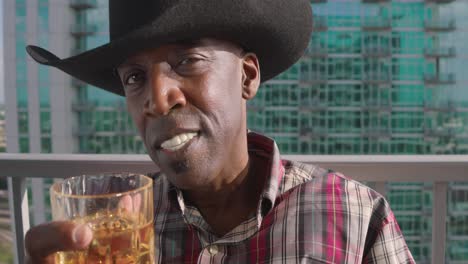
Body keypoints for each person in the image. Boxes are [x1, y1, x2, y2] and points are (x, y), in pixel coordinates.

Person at [24, 0, 415, 263]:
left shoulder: (356, 216)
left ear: (246, 77)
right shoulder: (116, 231)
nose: (158, 100)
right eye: (134, 78)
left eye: (188, 60)